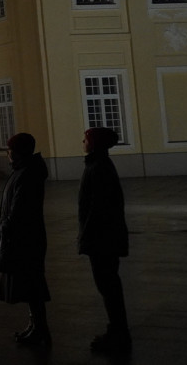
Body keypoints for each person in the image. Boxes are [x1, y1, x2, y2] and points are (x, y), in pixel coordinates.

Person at [0, 133, 51, 345]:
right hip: (25, 237)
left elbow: (19, 209)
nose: (8, 154)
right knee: (30, 285)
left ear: (17, 152)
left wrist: (7, 226)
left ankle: (40, 329)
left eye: (10, 150)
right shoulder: (24, 171)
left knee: (32, 285)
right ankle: (35, 326)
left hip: (25, 239)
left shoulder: (27, 174)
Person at [78, 126, 131, 352]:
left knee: (108, 286)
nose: (83, 142)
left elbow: (98, 208)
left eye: (85, 139)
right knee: (109, 285)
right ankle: (117, 329)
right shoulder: (99, 164)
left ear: (94, 144)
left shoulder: (98, 167)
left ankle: (118, 332)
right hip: (104, 237)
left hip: (102, 238)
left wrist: (87, 236)